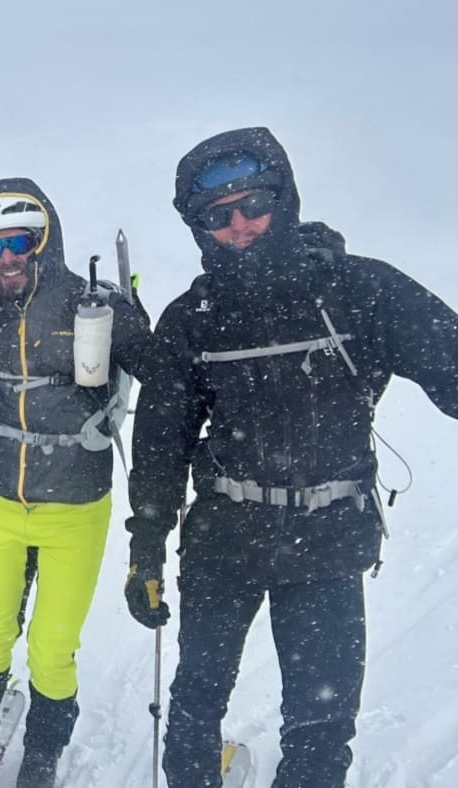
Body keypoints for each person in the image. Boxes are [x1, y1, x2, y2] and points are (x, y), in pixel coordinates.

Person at [124, 126, 458, 787]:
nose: (240, 226)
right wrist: (146, 544)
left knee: (319, 731)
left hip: (327, 542)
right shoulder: (193, 316)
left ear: (286, 195)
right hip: (226, 538)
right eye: (217, 217)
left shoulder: (357, 289)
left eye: (255, 204)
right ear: (198, 226)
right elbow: (162, 439)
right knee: (194, 708)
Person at [0, 179, 160, 787]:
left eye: (19, 241)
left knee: (51, 646)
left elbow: (166, 381)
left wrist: (139, 330)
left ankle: (43, 754)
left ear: (44, 241)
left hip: (77, 506)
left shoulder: (94, 304)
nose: (7, 258)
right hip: (3, 501)